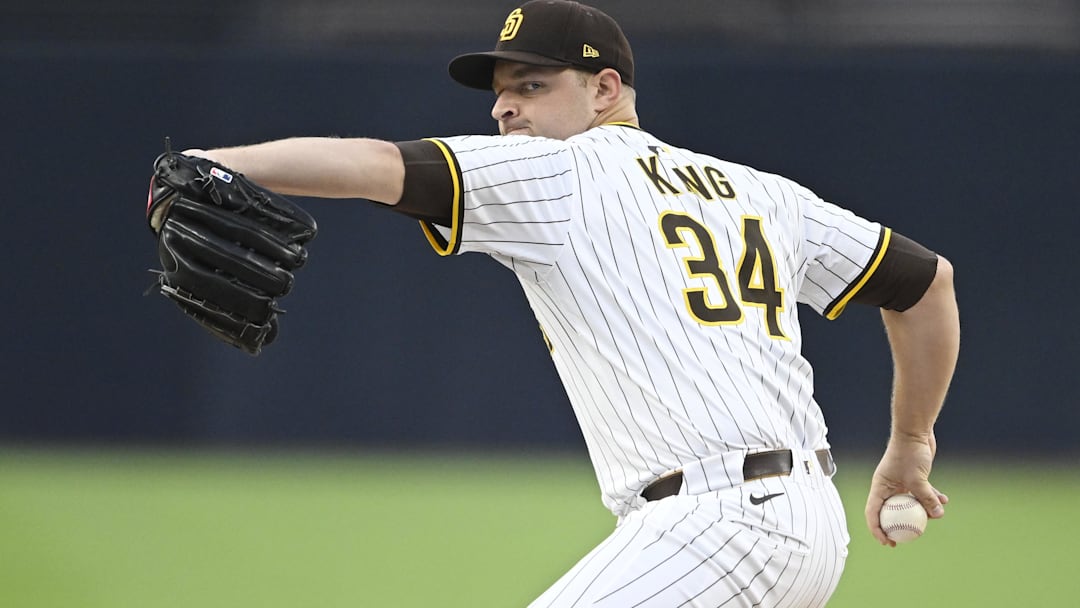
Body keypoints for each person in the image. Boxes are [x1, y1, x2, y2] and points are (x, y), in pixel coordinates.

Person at [179, 1, 959, 605]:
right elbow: (925, 284)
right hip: (805, 524)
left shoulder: (562, 174)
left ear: (605, 89)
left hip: (718, 525)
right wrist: (910, 444)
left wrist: (213, 164)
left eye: (532, 85)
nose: (503, 109)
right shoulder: (760, 192)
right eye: (500, 91)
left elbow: (377, 165)